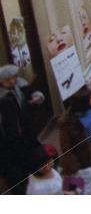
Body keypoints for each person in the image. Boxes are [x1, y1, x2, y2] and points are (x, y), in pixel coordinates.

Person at [0, 64, 45, 194]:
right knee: (15, 170)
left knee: (31, 159)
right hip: (10, 140)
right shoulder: (3, 98)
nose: (12, 81)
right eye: (8, 80)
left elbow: (31, 93)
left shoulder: (19, 85)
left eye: (13, 77)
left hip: (26, 132)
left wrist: (37, 97)